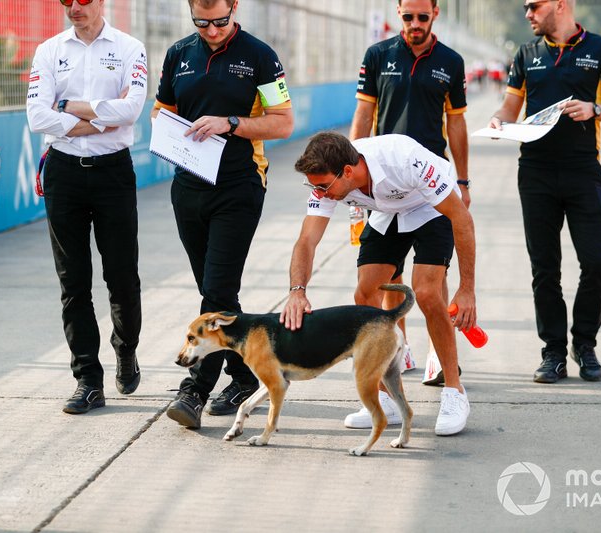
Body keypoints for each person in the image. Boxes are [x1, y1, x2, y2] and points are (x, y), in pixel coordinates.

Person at [152, 0, 293, 429]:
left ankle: (194, 390)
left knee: (215, 291)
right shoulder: (178, 54)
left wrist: (228, 122)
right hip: (188, 187)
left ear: (234, 7)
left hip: (239, 186)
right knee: (217, 292)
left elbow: (283, 122)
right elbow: (163, 110)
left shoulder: (260, 56)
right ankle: (247, 375)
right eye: (201, 22)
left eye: (220, 21)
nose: (212, 30)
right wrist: (169, 127)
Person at [281, 131, 477, 436]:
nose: (318, 193)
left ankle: (454, 391)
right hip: (388, 212)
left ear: (347, 172)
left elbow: (462, 219)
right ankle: (387, 398)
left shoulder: (405, 160)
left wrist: (467, 289)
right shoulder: (329, 180)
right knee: (366, 292)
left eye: (322, 186)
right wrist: (297, 291)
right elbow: (307, 240)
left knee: (426, 291)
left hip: (430, 206)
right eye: (313, 186)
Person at [488, 0, 601, 383]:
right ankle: (552, 352)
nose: (527, 14)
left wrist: (595, 110)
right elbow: (510, 107)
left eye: (533, 6)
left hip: (583, 171)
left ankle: (584, 344)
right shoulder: (526, 53)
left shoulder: (600, 49)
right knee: (545, 269)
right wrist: (498, 122)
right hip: (535, 173)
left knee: (597, 261)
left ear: (560, 5)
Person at [26, 0, 148, 414]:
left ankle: (126, 349)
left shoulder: (130, 48)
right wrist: (99, 119)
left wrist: (70, 106)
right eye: (66, 1)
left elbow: (132, 110)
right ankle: (88, 379)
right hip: (64, 172)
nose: (74, 7)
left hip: (113, 172)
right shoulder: (49, 50)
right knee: (73, 281)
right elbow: (36, 115)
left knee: (122, 277)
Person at [348, 0, 470, 398]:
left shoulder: (450, 61)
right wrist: (350, 172)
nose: (415, 24)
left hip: (429, 182)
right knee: (386, 279)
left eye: (423, 16)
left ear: (435, 13)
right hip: (384, 180)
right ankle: (400, 350)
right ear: (398, 12)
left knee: (433, 280)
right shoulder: (378, 55)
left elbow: (456, 122)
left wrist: (463, 180)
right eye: (408, 16)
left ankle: (440, 353)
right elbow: (364, 115)